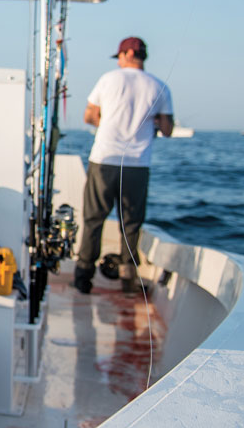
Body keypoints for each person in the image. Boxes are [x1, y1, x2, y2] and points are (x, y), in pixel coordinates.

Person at [73, 36, 173, 296]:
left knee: (93, 219)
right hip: (138, 164)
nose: (118, 61)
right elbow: (167, 128)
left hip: (104, 159)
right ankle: (128, 280)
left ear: (128, 53)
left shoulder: (108, 79)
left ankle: (83, 277)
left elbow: (90, 116)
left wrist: (108, 122)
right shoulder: (160, 86)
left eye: (118, 55)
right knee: (131, 224)